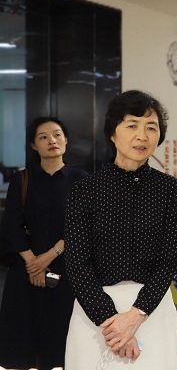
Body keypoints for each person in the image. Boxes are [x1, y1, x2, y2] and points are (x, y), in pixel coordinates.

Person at [64, 90, 177, 369]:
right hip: (94, 313)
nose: (142, 136)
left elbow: (168, 261)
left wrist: (135, 316)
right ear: (112, 133)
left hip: (151, 311)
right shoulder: (85, 190)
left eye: (151, 127)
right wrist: (112, 323)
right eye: (132, 125)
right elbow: (77, 263)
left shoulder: (170, 189)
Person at [0, 117, 88, 370]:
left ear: (66, 140)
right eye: (43, 137)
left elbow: (83, 224)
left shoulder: (81, 179)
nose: (52, 140)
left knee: (60, 336)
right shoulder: (22, 179)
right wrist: (33, 263)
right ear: (33, 145)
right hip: (24, 269)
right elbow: (12, 224)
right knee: (22, 337)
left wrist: (48, 257)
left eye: (57, 134)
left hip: (65, 268)